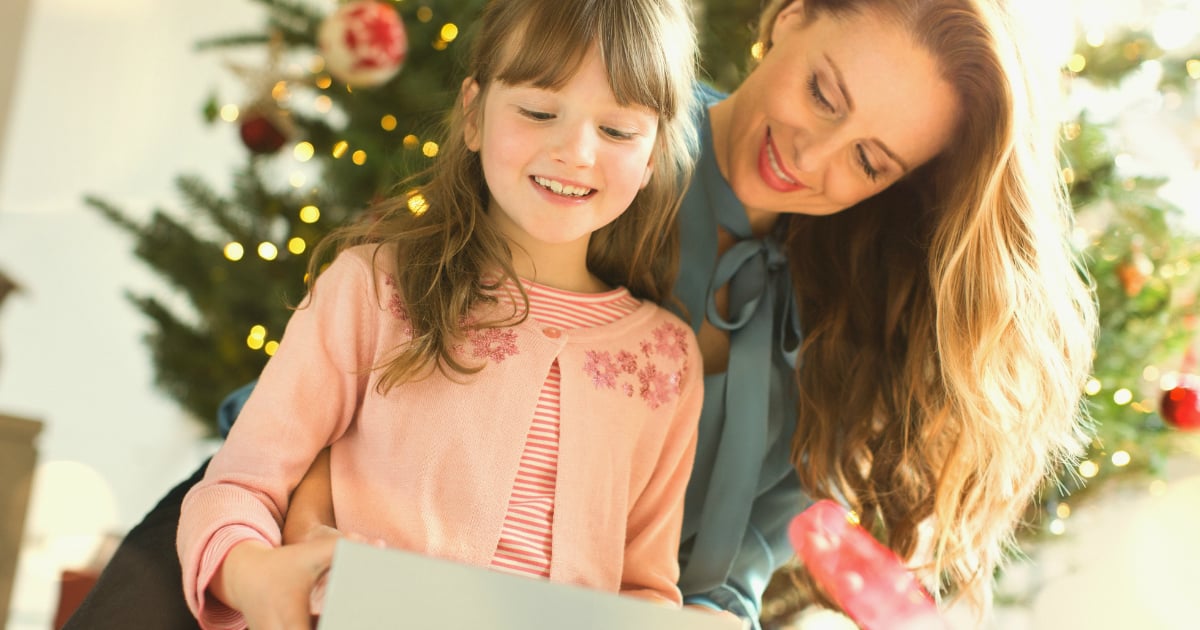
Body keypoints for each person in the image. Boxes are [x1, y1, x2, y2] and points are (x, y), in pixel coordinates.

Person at [66, 0, 1095, 628]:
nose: (815, 158)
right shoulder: (598, 137)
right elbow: (338, 373)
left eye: (872, 159)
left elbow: (724, 575)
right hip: (321, 529)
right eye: (824, 93)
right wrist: (302, 563)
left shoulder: (841, 330)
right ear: (789, 14)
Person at [172, 0, 704, 627]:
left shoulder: (666, 361)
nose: (576, 151)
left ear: (652, 157)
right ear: (474, 113)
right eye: (538, 111)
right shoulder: (373, 290)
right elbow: (237, 488)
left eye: (616, 131)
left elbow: (645, 587)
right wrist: (258, 576)